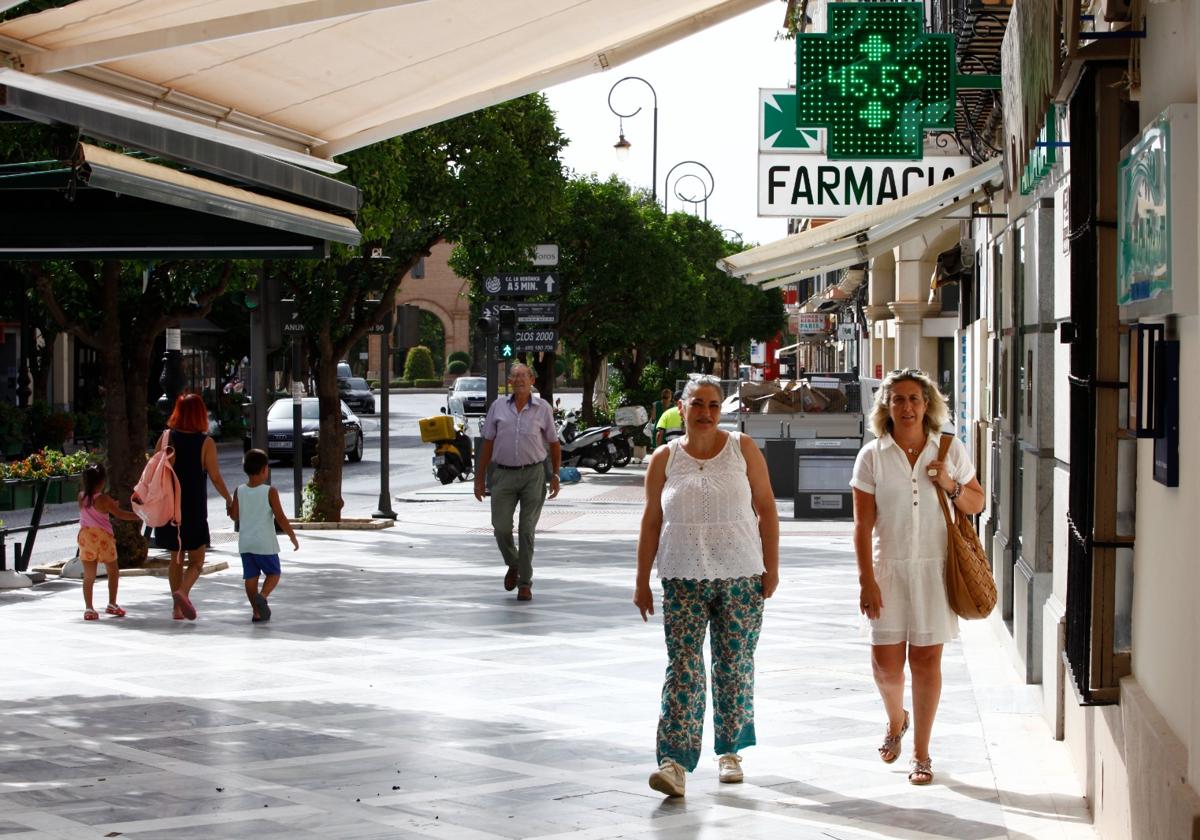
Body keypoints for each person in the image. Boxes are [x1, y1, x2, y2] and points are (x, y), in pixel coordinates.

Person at [634, 375, 780, 798]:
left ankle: (730, 752)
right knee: (683, 667)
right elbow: (650, 522)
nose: (705, 413)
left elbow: (767, 509)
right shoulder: (664, 458)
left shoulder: (743, 449)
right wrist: (642, 579)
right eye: (697, 404)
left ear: (722, 410)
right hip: (681, 576)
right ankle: (674, 762)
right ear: (682, 408)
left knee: (733, 665)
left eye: (714, 405)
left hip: (740, 575)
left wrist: (772, 568)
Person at [850, 368, 984, 785]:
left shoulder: (949, 448)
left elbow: (977, 503)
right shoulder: (872, 455)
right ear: (886, 407)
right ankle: (896, 719)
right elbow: (861, 524)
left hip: (934, 570)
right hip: (887, 569)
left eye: (914, 399)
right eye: (898, 399)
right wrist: (866, 580)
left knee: (926, 663)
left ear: (927, 406)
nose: (907, 407)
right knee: (886, 668)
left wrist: (949, 483)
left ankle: (922, 753)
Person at [473, 363, 561, 602]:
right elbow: (488, 443)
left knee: (526, 530)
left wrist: (555, 475)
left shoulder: (543, 408)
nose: (519, 380)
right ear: (509, 381)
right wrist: (479, 479)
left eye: (524, 376)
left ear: (532, 380)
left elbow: (554, 443)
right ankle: (514, 563)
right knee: (501, 528)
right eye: (514, 376)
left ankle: (525, 583)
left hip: (534, 474)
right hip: (502, 474)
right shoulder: (498, 407)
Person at [155, 392, 233, 621]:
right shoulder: (205, 442)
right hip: (193, 508)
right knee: (197, 560)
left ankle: (176, 608)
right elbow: (216, 477)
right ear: (201, 414)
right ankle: (183, 592)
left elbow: (155, 468)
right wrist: (229, 500)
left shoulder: (167, 437)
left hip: (169, 507)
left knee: (175, 559)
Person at [229, 448, 299, 622]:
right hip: (265, 543)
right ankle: (263, 595)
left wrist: (229, 507)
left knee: (250, 576)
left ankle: (256, 611)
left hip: (245, 543)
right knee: (274, 573)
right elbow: (280, 517)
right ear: (264, 470)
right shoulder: (270, 491)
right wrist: (292, 536)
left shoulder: (239, 490)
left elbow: (234, 516)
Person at [77, 463, 140, 621]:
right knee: (113, 570)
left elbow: (93, 510)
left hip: (86, 536)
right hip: (103, 537)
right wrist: (140, 515)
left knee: (89, 576)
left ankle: (89, 608)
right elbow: (120, 514)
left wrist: (110, 505)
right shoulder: (104, 499)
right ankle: (112, 603)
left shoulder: (81, 496)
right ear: (102, 481)